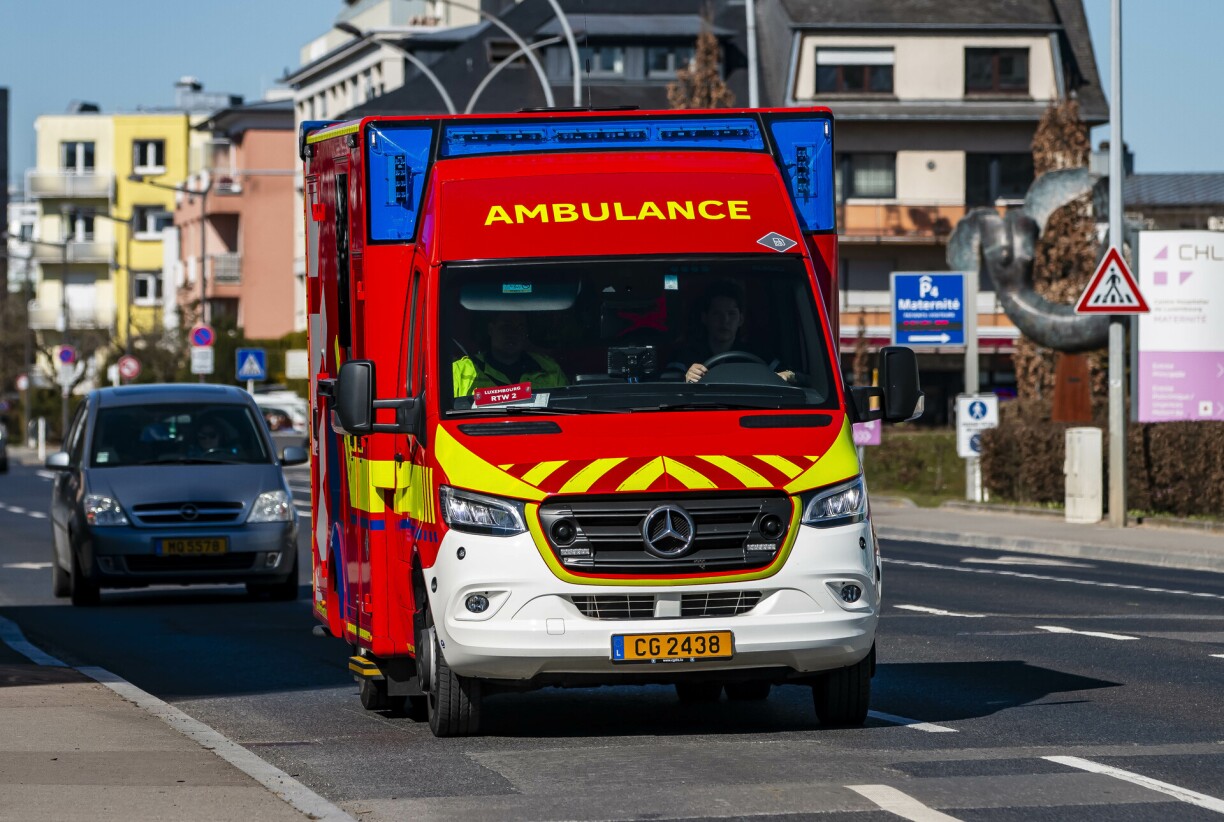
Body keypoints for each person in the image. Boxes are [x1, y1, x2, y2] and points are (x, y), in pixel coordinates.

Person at [676, 280, 797, 385]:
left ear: (741, 319)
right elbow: (668, 381)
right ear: (705, 318)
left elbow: (794, 375)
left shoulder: (756, 354)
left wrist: (786, 376)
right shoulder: (686, 356)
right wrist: (685, 378)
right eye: (717, 314)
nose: (725, 321)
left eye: (731, 314)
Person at [452, 311, 568, 397]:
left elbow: (566, 407)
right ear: (491, 329)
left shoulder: (549, 369)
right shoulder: (460, 371)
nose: (513, 333)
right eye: (506, 326)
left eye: (520, 327)